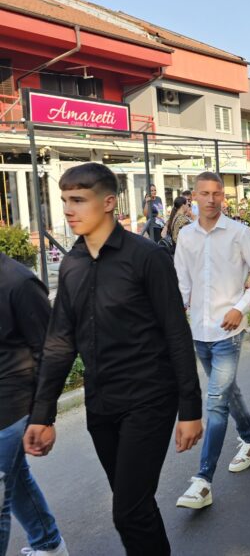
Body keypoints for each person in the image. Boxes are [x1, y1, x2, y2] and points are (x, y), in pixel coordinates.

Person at [24, 163, 202, 556]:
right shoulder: (71, 264)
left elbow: (176, 332)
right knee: (134, 503)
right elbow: (59, 343)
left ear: (108, 202)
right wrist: (42, 414)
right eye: (64, 200)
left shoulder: (147, 257)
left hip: (150, 398)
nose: (68, 210)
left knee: (128, 511)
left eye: (78, 200)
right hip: (101, 404)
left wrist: (191, 409)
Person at [173, 172, 250, 509]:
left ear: (223, 198)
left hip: (228, 331)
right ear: (194, 198)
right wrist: (176, 319)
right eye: (205, 193)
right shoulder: (185, 236)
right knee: (228, 392)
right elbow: (181, 283)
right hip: (198, 331)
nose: (211, 199)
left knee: (214, 400)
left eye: (217, 193)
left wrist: (239, 308)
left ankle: (203, 480)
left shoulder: (240, 233)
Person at [0, 253, 68, 556]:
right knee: (14, 479)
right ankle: (48, 543)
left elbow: (49, 351)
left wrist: (44, 417)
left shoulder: (19, 282)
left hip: (12, 406)